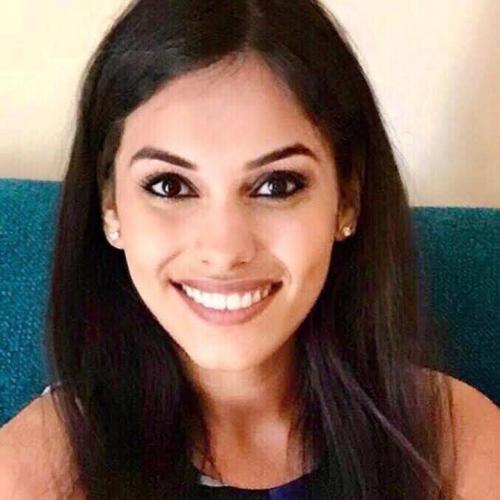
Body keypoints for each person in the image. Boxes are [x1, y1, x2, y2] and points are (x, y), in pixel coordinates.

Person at [1, 0, 499, 498]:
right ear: (110, 206)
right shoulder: (36, 472)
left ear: (347, 199)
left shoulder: (457, 448)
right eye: (170, 186)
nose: (224, 250)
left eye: (277, 185)